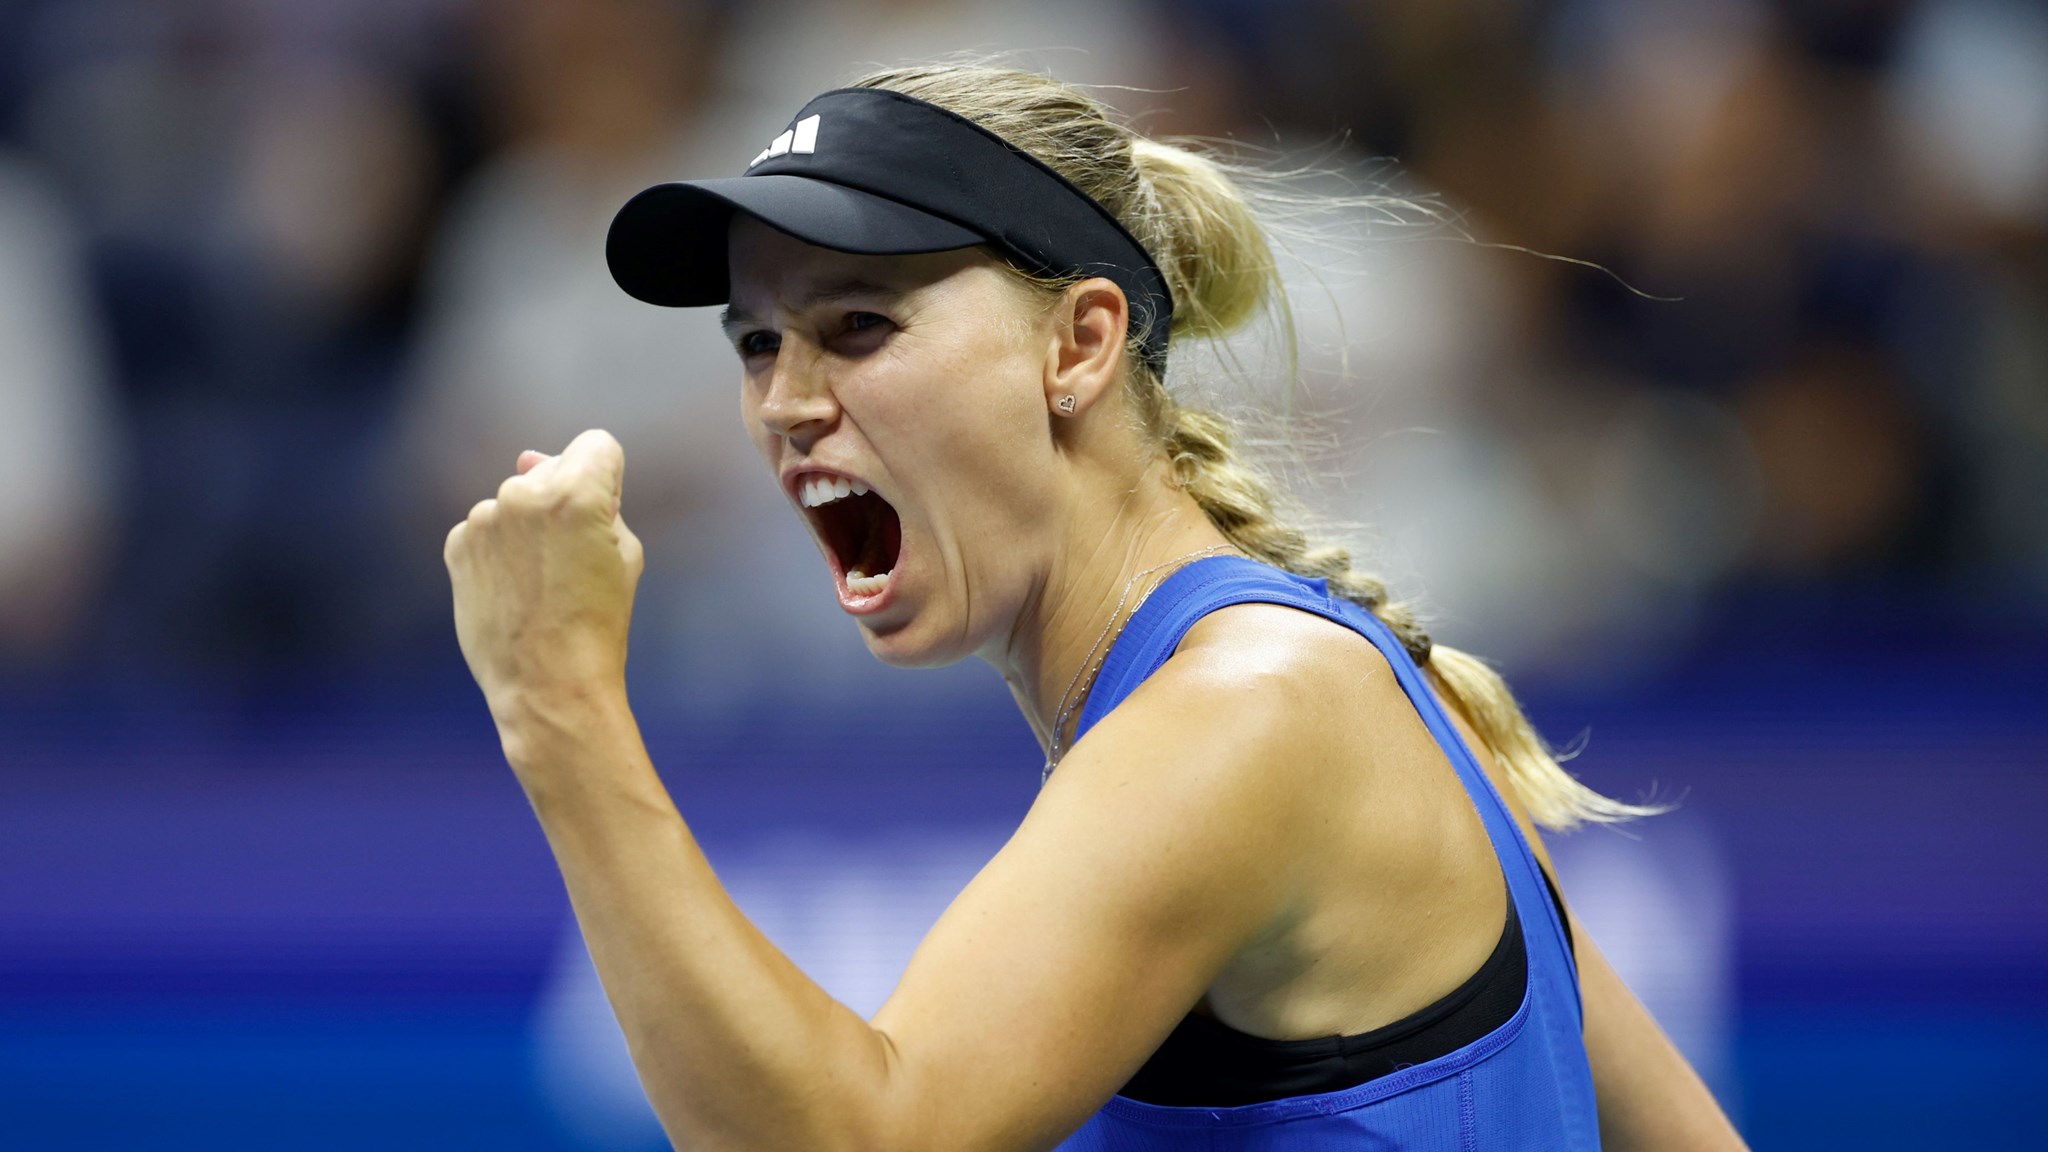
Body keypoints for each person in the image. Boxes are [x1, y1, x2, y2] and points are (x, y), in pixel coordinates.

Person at [443, 64, 1747, 1150]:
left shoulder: (1247, 718)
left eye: (857, 326)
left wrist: (557, 707)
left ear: (1078, 345)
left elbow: (860, 1141)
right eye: (757, 342)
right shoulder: (1308, 683)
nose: (786, 401)